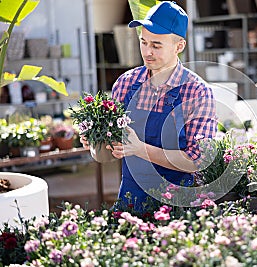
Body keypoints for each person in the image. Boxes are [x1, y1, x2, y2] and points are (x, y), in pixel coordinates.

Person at [80, 1, 217, 211]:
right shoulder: (125, 84)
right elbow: (109, 155)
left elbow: (197, 161)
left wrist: (140, 149)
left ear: (179, 46)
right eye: (144, 42)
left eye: (156, 45)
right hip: (130, 202)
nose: (147, 52)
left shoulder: (197, 92)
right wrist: (95, 143)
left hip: (178, 207)